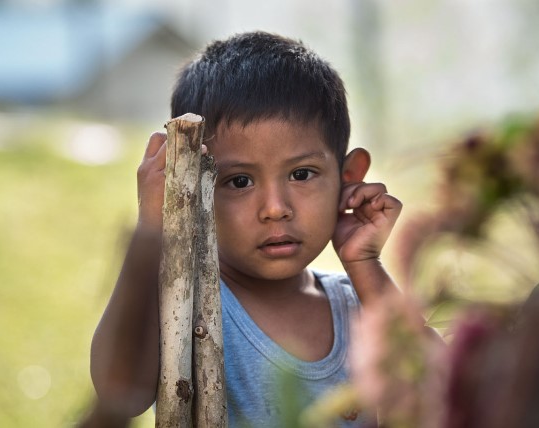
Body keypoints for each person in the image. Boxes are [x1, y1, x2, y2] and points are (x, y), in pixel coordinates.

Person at [90, 31, 403, 427]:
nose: (275, 209)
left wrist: (365, 263)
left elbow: (440, 392)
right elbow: (120, 391)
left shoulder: (360, 304)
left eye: (301, 174)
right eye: (239, 182)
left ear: (348, 177)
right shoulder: (191, 309)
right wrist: (155, 229)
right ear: (190, 187)